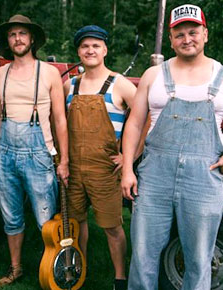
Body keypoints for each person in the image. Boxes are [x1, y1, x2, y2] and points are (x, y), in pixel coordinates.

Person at [120, 4, 223, 289]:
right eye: (179, 34)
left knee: (199, 260)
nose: (186, 38)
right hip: (154, 178)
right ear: (171, 39)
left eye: (193, 32)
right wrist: (128, 168)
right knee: (143, 256)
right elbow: (134, 124)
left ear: (205, 34)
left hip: (203, 180)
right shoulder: (154, 75)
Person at [0, 14, 69, 287]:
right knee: (11, 216)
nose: (17, 39)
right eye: (12, 34)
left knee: (45, 218)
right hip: (6, 155)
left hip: (39, 155)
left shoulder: (49, 73)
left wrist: (63, 159)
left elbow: (60, 120)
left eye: (22, 33)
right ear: (7, 41)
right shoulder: (0, 74)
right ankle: (16, 267)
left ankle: (53, 268)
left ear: (32, 39)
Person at [63, 25, 138, 290]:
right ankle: (78, 270)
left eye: (96, 45)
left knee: (112, 227)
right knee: (76, 222)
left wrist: (129, 156)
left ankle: (120, 278)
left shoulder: (120, 84)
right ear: (79, 52)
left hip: (104, 170)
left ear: (105, 50)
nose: (90, 50)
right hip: (73, 169)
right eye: (85, 46)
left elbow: (145, 117)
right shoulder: (70, 85)